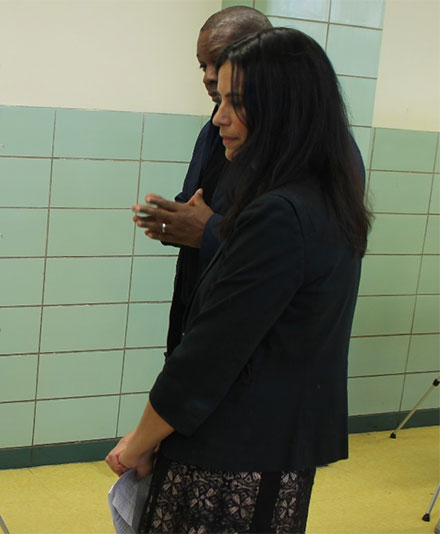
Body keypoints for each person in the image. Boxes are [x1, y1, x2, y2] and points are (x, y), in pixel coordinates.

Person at [107, 27, 372, 533]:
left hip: (235, 446)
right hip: (275, 440)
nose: (219, 116)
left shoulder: (279, 211)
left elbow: (212, 351)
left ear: (284, 110)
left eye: (236, 102)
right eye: (217, 97)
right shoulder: (324, 191)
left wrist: (139, 442)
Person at [132, 6, 271, 356]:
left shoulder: (292, 150)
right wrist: (173, 220)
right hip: (196, 315)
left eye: (219, 62)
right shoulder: (215, 129)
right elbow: (197, 201)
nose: (208, 77)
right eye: (202, 65)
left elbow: (277, 251)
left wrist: (207, 232)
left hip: (243, 343)